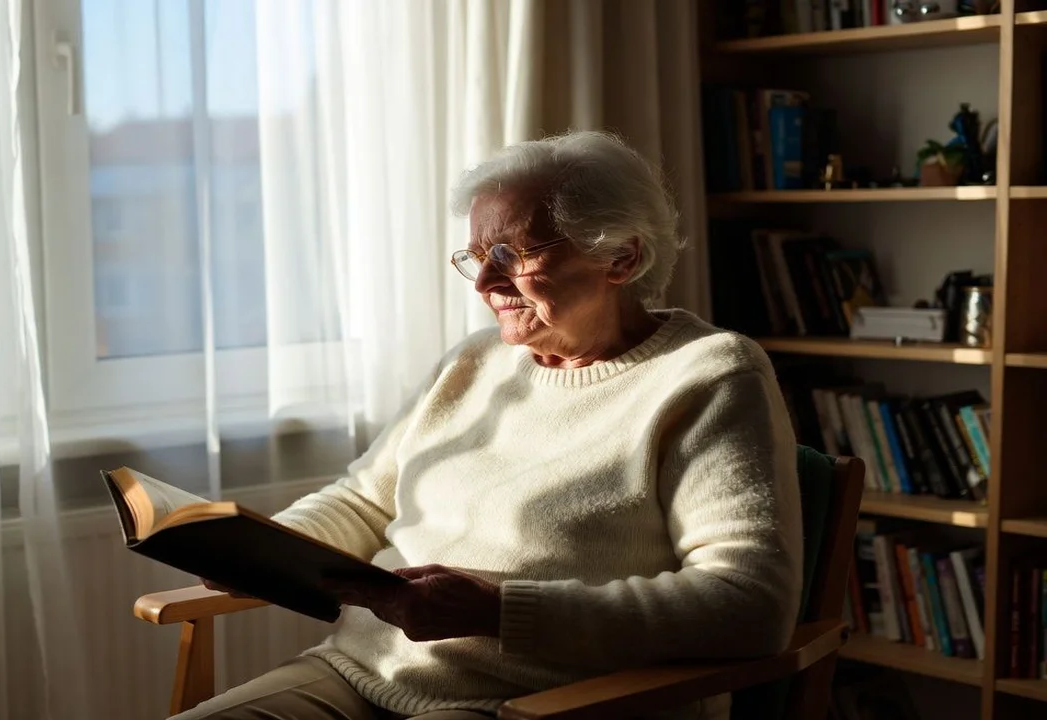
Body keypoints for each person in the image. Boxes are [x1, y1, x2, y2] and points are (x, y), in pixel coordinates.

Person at [176, 131, 802, 720]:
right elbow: (366, 500)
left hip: (546, 701)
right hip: (363, 672)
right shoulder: (476, 361)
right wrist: (261, 552)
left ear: (620, 256)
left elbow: (748, 605)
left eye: (512, 254)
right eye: (476, 255)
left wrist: (500, 613)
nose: (484, 282)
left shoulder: (709, 376)